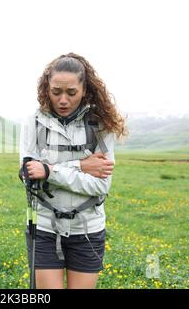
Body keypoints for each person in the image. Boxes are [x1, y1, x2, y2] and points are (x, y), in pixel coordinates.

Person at [19, 52, 127, 289]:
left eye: (71, 93)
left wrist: (49, 171)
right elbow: (29, 176)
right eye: (56, 92)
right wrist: (81, 166)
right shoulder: (32, 123)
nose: (63, 100)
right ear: (46, 88)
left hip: (88, 229)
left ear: (85, 89)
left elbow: (100, 185)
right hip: (45, 227)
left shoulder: (101, 125)